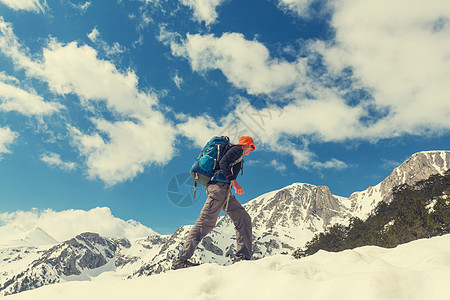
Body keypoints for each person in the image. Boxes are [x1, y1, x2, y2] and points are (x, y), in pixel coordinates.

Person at [172, 136, 256, 269]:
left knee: (243, 218)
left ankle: (243, 257)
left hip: (224, 192)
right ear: (247, 144)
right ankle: (181, 260)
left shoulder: (237, 153)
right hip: (219, 190)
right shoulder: (237, 150)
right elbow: (223, 163)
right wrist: (234, 183)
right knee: (205, 223)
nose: (251, 151)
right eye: (252, 147)